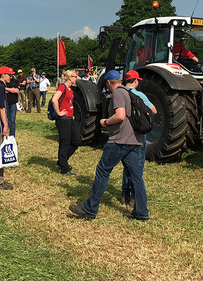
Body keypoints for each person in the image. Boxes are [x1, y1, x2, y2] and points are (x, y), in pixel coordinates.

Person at [69, 70, 149, 221]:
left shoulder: (118, 93)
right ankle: (141, 212)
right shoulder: (128, 91)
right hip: (134, 140)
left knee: (103, 171)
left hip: (119, 140)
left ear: (107, 83)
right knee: (136, 176)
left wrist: (105, 122)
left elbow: (120, 115)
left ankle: (90, 209)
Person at [121, 70, 157, 206]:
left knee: (127, 165)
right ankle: (134, 198)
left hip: (124, 134)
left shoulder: (120, 93)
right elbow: (154, 110)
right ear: (136, 81)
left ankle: (124, 194)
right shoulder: (140, 95)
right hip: (138, 134)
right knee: (138, 165)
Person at [51, 69, 81, 175]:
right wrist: (59, 112)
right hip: (63, 120)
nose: (76, 78)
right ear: (69, 77)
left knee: (77, 140)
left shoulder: (71, 88)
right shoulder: (62, 87)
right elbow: (55, 99)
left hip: (69, 118)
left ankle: (62, 161)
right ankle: (64, 168)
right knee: (65, 143)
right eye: (74, 76)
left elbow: (69, 102)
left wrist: (71, 113)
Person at [0, 66, 15, 190]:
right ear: (3, 75)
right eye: (9, 75)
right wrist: (5, 125)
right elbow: (1, 108)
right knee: (1, 153)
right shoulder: (0, 88)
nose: (11, 77)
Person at [5, 70, 20, 136]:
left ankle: (12, 135)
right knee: (6, 120)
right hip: (5, 103)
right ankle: (6, 134)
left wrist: (7, 89)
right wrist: (11, 89)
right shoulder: (5, 81)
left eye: (12, 74)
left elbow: (16, 90)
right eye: (9, 74)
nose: (11, 76)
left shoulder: (16, 81)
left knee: (12, 120)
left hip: (13, 103)